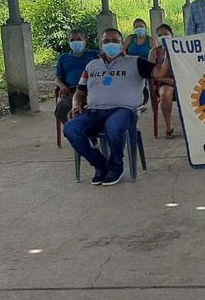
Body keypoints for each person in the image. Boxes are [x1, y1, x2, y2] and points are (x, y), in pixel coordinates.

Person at [64, 28, 156, 186]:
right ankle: (100, 165)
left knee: (113, 126)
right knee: (71, 128)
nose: (110, 44)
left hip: (124, 110)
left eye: (115, 41)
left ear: (122, 43)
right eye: (106, 41)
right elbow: (80, 92)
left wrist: (164, 54)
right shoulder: (92, 65)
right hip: (93, 111)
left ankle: (115, 168)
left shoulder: (136, 62)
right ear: (101, 44)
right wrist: (76, 105)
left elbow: (159, 72)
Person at [55, 29, 100, 124]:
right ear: (68, 42)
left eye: (79, 39)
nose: (76, 42)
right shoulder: (63, 58)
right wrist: (62, 86)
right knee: (62, 107)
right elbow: (58, 78)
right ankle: (73, 128)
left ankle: (89, 129)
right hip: (71, 91)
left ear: (85, 40)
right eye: (72, 40)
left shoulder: (94, 55)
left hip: (92, 90)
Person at [149, 24, 177, 138]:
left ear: (172, 35)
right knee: (165, 93)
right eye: (160, 35)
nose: (163, 37)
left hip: (181, 80)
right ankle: (168, 127)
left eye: (166, 34)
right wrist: (167, 80)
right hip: (163, 83)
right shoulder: (155, 52)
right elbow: (151, 74)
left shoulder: (179, 47)